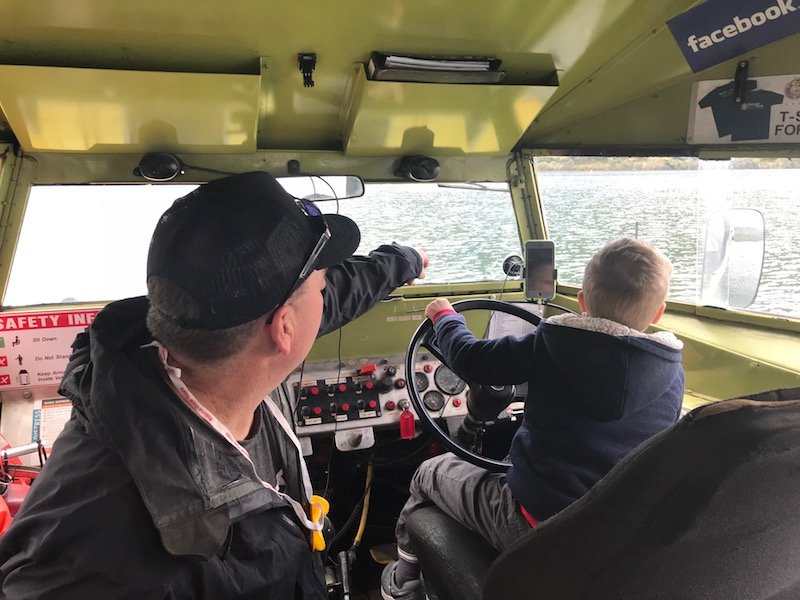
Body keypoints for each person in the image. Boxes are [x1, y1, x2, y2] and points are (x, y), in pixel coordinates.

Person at [0, 171, 427, 599]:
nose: (326, 290)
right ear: (284, 329)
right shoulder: (109, 562)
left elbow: (334, 296)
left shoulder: (208, 341)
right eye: (320, 282)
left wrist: (404, 261)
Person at [382, 237, 684, 600]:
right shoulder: (672, 374)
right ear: (657, 313)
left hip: (536, 526)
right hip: (616, 538)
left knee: (429, 473)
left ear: (583, 301)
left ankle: (402, 583)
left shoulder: (552, 343)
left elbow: (470, 358)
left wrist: (445, 318)